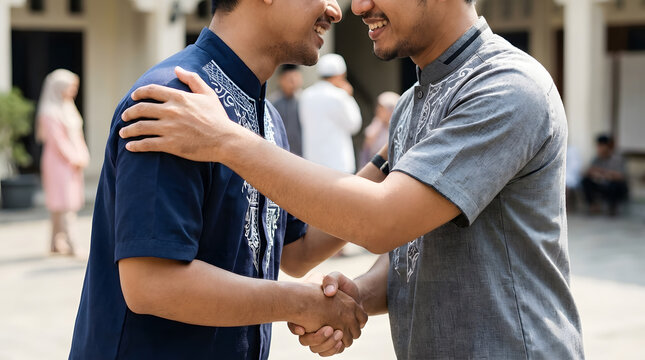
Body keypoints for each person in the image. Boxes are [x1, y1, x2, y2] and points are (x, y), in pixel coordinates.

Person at [118, 0, 585, 358]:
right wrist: (348, 296)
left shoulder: (505, 87)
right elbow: (313, 253)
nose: (353, 8)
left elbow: (382, 222)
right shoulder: (178, 101)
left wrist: (226, 141)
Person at [69, 0, 368, 358]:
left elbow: (296, 251)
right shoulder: (175, 100)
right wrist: (301, 302)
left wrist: (388, 162)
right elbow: (151, 283)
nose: (336, 10)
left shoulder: (266, 114)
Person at [36, 69, 89, 256]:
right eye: (71, 86)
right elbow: (57, 141)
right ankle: (73, 244)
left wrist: (82, 154)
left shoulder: (68, 107)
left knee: (63, 203)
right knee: (64, 203)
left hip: (72, 161)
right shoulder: (50, 112)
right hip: (58, 162)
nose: (74, 90)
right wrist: (74, 158)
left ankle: (55, 243)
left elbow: (77, 135)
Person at [300, 53, 362, 173]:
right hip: (338, 163)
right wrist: (349, 97)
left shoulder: (306, 95)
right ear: (341, 75)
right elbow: (354, 125)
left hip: (312, 162)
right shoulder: (340, 96)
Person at [581, 134, 629, 216]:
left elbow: (621, 176)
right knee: (585, 181)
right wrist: (594, 173)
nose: (599, 148)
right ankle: (593, 206)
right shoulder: (597, 158)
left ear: (607, 146)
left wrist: (604, 173)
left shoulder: (617, 158)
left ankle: (612, 207)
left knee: (615, 185)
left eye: (601, 146)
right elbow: (587, 171)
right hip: (602, 184)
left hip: (614, 186)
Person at [358, 91, 399, 167]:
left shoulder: (398, 127)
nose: (378, 110)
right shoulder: (377, 123)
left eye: (382, 108)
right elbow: (367, 145)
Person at [271, 64, 304, 156]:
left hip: (304, 155)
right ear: (280, 79)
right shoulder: (273, 103)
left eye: (296, 77)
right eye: (289, 79)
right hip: (281, 154)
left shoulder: (305, 101)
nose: (293, 82)